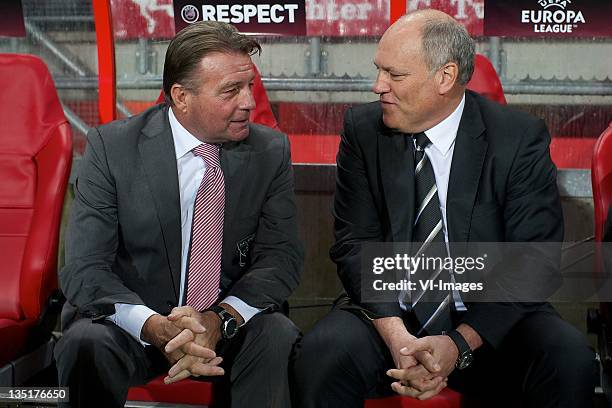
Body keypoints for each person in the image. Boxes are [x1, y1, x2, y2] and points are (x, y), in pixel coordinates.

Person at [293, 9, 595, 408]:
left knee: (568, 358)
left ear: (445, 77)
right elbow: (355, 245)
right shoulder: (364, 131)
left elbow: (533, 261)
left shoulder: (517, 138)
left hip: (486, 321)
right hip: (390, 318)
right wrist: (398, 338)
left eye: (395, 75)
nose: (377, 86)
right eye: (379, 70)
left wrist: (459, 343)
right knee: (322, 354)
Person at [55, 21, 303, 408]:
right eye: (231, 91)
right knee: (86, 341)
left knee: (276, 334)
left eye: (249, 86)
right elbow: (85, 267)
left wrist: (219, 321)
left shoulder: (270, 151)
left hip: (224, 325)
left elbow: (281, 258)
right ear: (181, 97)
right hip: (134, 324)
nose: (249, 103)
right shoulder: (112, 148)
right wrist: (154, 327)